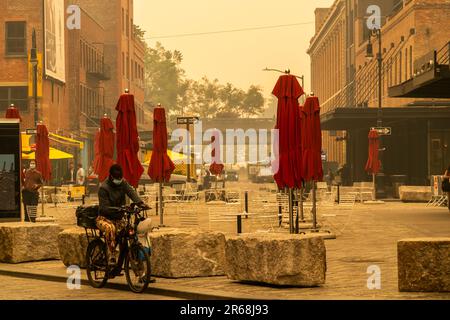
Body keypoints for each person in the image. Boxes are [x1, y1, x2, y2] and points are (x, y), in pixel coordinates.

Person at [97, 164, 148, 265]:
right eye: (117, 178)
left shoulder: (123, 183)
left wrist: (140, 203)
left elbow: (131, 192)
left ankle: (138, 265)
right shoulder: (103, 188)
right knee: (110, 228)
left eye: (120, 178)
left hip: (119, 218)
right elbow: (104, 208)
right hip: (104, 218)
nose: (119, 180)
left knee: (131, 231)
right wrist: (117, 209)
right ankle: (112, 255)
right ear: (111, 177)